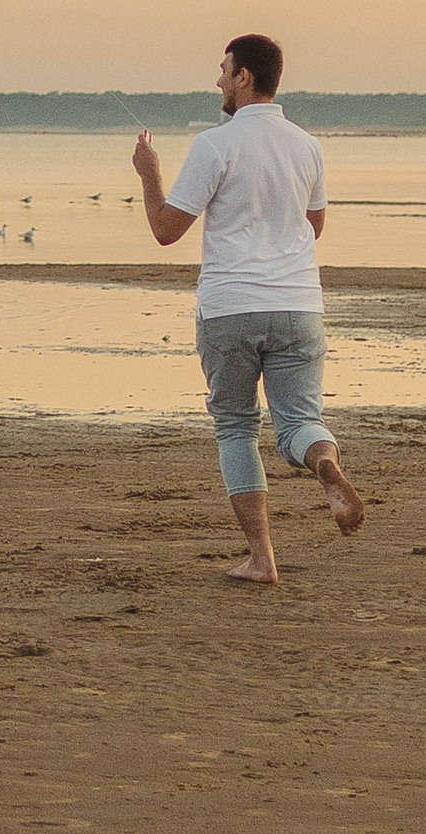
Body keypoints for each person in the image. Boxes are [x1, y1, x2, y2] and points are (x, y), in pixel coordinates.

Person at [131, 33, 366, 584]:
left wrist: (148, 176)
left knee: (236, 429)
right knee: (301, 422)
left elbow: (167, 230)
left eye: (223, 70)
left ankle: (263, 559)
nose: (217, 80)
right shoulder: (307, 145)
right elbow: (315, 226)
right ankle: (323, 462)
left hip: (231, 307)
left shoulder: (216, 144)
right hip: (298, 305)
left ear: (245, 78)